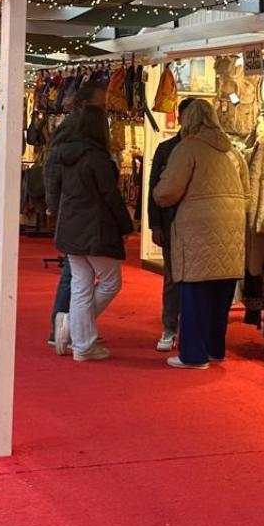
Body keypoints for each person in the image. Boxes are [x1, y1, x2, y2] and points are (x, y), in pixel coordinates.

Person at [151, 100, 248, 370]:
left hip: (197, 228)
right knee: (220, 293)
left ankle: (193, 355)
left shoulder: (188, 148)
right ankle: (214, 348)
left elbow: (167, 191)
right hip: (232, 227)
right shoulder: (233, 152)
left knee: (194, 291)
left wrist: (160, 193)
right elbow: (247, 192)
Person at [51, 105, 134, 361]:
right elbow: (111, 196)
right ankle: (75, 333)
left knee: (81, 285)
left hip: (71, 227)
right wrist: (126, 225)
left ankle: (81, 342)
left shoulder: (64, 155)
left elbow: (56, 190)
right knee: (110, 282)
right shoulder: (97, 158)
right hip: (95, 229)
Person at [45, 79, 108, 352]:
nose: (105, 109)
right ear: (86, 105)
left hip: (74, 211)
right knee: (78, 274)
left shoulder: (75, 131)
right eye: (101, 104)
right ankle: (66, 325)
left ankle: (71, 327)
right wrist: (56, 207)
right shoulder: (74, 132)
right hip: (75, 211)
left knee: (78, 274)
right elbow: (53, 171)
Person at [146, 97, 204, 352]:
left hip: (200, 224)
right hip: (171, 223)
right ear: (180, 118)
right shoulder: (167, 148)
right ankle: (170, 327)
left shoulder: (210, 149)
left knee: (198, 279)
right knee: (172, 277)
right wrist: (154, 224)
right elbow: (154, 189)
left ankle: (192, 329)